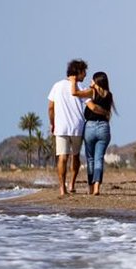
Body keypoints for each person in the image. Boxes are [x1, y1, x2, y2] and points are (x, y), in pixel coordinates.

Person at [47, 59, 92, 196]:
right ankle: (72, 184)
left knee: (62, 157)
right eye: (84, 72)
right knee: (75, 156)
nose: (85, 75)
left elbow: (50, 107)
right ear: (78, 72)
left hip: (61, 127)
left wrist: (52, 123)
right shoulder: (81, 88)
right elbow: (90, 105)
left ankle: (62, 188)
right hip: (77, 126)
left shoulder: (57, 86)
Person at [82, 71, 115, 196]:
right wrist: (105, 113)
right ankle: (96, 187)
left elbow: (77, 94)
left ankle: (90, 188)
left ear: (96, 81)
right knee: (99, 159)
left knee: (90, 159)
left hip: (90, 127)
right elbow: (108, 112)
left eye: (92, 80)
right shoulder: (109, 95)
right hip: (103, 128)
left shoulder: (91, 92)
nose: (90, 82)